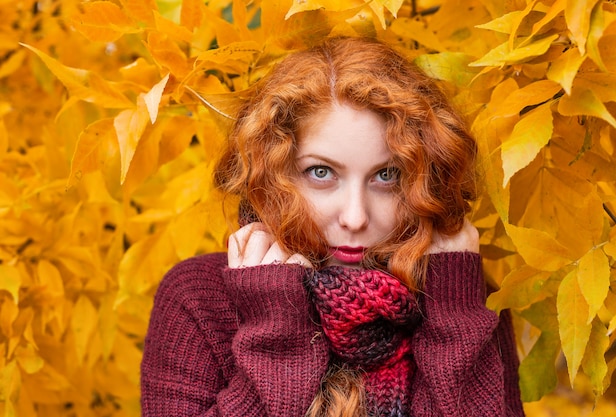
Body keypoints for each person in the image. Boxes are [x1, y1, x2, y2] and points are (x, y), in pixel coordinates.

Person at [140, 36, 525, 416]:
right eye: (321, 173)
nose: (355, 218)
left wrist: (453, 320)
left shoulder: (461, 301)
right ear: (273, 174)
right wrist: (275, 336)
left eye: (386, 175)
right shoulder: (199, 300)